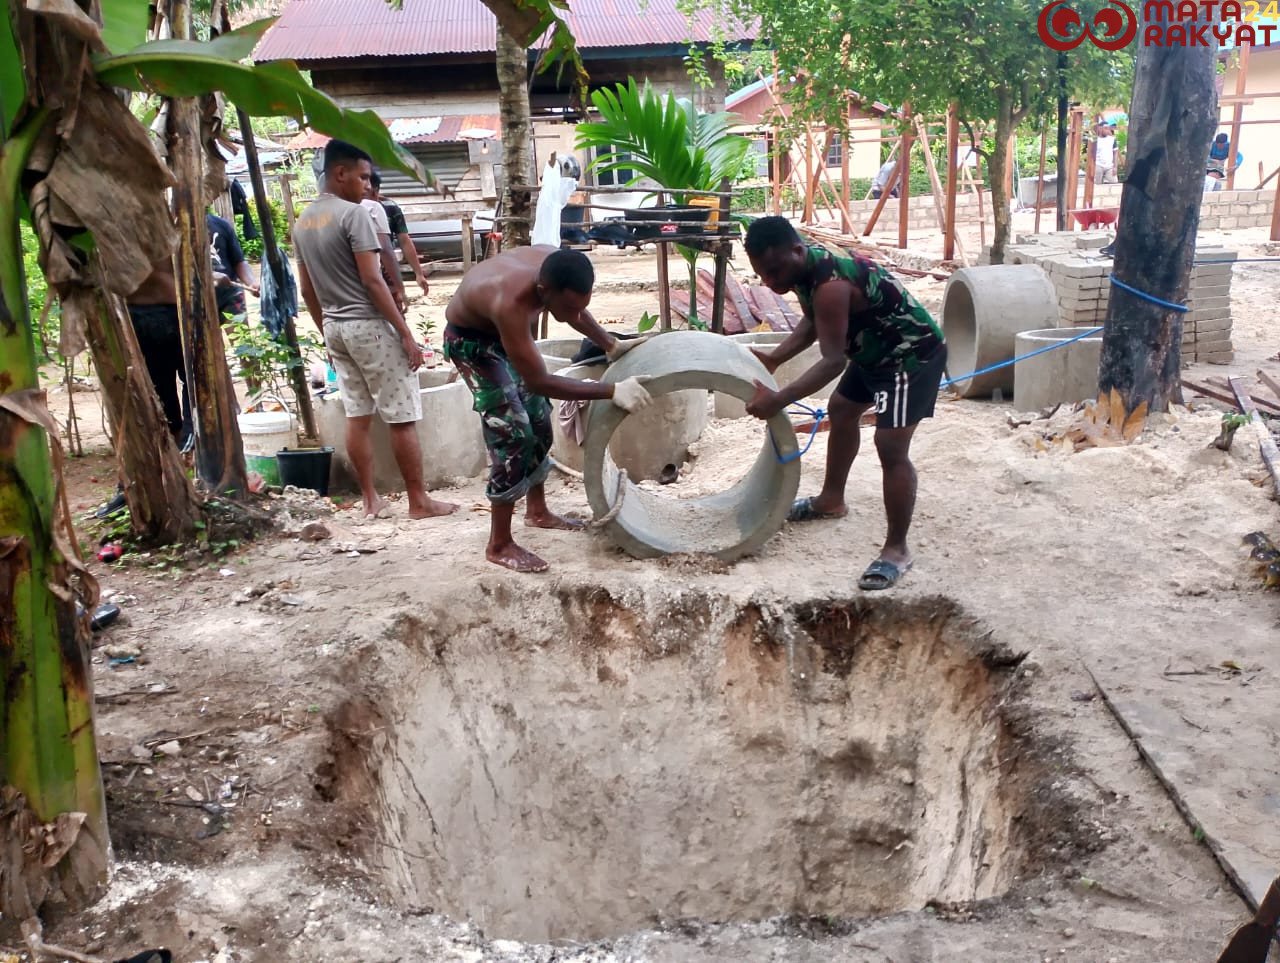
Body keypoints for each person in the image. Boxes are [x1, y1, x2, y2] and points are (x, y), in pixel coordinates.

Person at [742, 216, 947, 591]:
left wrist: (778, 400)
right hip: (872, 351)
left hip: (908, 355)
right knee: (841, 409)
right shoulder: (805, 271)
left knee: (890, 445)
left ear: (797, 250)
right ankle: (831, 500)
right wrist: (776, 357)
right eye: (762, 275)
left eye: (774, 272)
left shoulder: (830, 285)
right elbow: (813, 319)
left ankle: (896, 550)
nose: (770, 283)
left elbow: (833, 360)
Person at [443, 246, 653, 574]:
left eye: (582, 303)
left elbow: (575, 311)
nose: (575, 313)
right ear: (544, 292)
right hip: (473, 343)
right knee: (512, 430)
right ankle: (499, 544)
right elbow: (540, 380)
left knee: (539, 416)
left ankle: (537, 511)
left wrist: (610, 344)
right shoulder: (510, 300)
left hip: (505, 332)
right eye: (568, 305)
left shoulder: (556, 268)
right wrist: (612, 391)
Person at [293, 139, 457, 521]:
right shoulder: (355, 216)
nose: (368, 185)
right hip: (369, 326)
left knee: (358, 415)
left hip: (335, 326)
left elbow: (306, 289)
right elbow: (372, 280)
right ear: (340, 173)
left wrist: (326, 330)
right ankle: (419, 501)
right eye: (363, 176)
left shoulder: (302, 222)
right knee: (401, 415)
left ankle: (370, 500)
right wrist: (405, 333)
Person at [369, 170, 430, 298]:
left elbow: (404, 240)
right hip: (364, 265)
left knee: (393, 302)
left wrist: (418, 273)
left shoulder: (390, 207)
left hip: (386, 266)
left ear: (375, 191)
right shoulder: (350, 210)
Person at [360, 179, 407, 312]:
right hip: (377, 273)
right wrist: (400, 289)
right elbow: (386, 250)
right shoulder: (373, 207)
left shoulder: (316, 214)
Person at [207, 211, 258, 320]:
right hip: (196, 300)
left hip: (230, 294)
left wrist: (251, 282)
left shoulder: (221, 224)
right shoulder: (175, 231)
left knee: (241, 334)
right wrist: (208, 276)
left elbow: (239, 261)